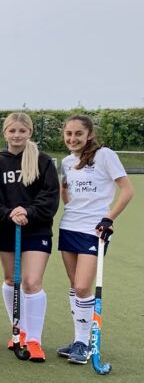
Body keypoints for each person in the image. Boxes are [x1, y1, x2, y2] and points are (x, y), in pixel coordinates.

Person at [57, 115, 134, 364]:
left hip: (95, 229)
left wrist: (108, 218)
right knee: (75, 286)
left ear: (89, 134)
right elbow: (65, 191)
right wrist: (72, 207)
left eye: (78, 133)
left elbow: (127, 190)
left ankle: (84, 342)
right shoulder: (68, 161)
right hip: (69, 226)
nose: (72, 138)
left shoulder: (105, 155)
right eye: (68, 134)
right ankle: (79, 339)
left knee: (82, 286)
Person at [0, 112, 59, 362]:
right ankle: (19, 331)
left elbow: (50, 197)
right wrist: (8, 214)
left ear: (30, 133)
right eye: (12, 131)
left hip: (36, 229)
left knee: (31, 282)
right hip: (6, 229)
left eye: (22, 131)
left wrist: (27, 211)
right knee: (10, 279)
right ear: (5, 133)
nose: (17, 135)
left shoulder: (43, 161)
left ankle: (35, 341)